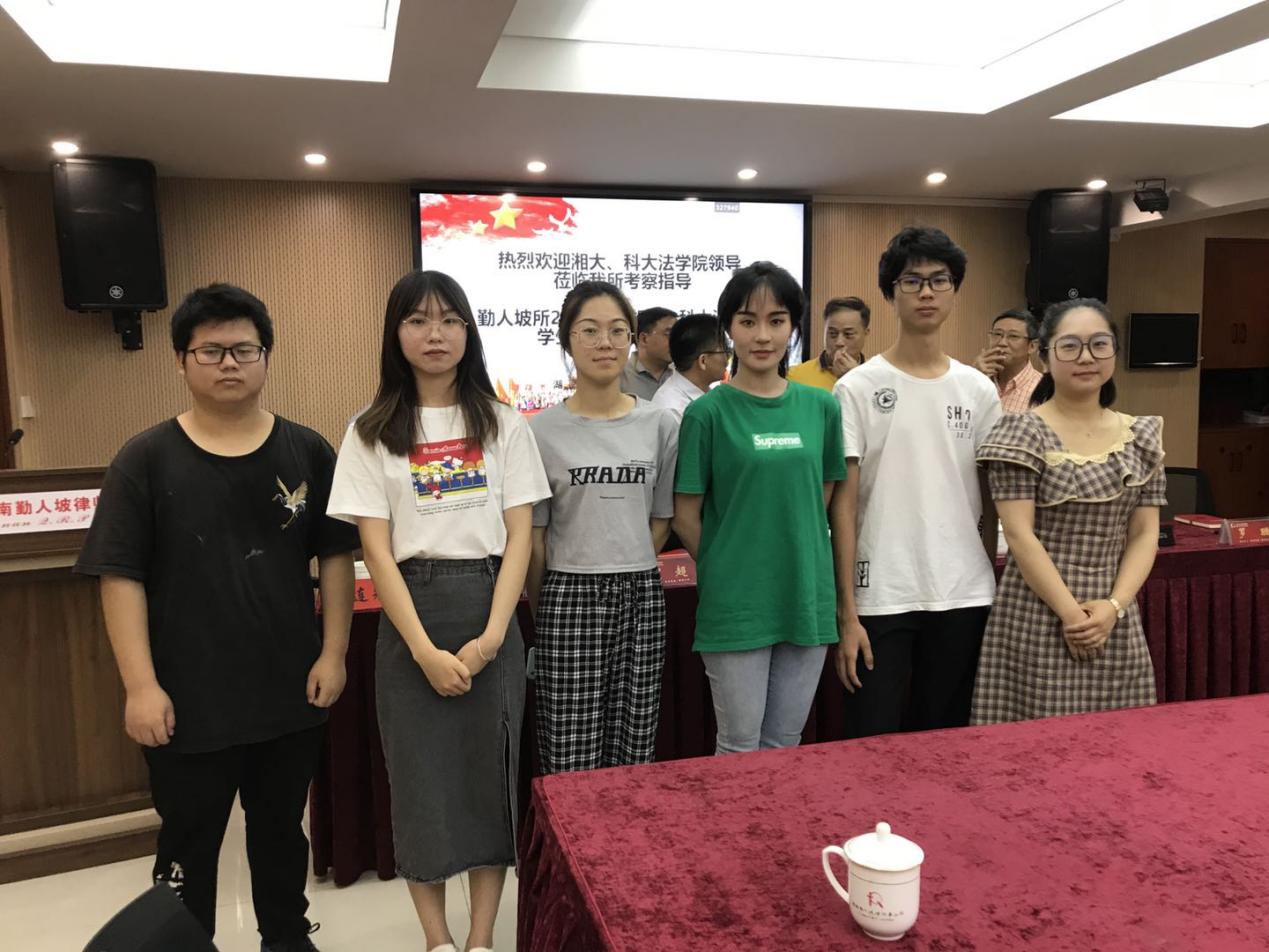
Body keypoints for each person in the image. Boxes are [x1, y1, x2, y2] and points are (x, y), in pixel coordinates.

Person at [74, 283, 358, 951]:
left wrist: (334, 652)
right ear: (181, 361)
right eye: (210, 350)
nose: (229, 362)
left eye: (244, 349)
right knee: (187, 845)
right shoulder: (145, 459)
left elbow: (336, 557)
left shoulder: (307, 450)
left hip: (289, 690)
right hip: (185, 701)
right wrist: (140, 686)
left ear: (266, 358)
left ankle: (286, 939)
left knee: (281, 835)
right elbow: (119, 577)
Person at [326, 271, 549, 952]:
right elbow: (374, 550)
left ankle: (480, 939)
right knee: (419, 784)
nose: (435, 334)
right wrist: (423, 651)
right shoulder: (369, 430)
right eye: (418, 320)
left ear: (468, 333)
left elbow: (519, 536)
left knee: (488, 783)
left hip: (490, 606)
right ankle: (437, 941)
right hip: (409, 619)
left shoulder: (504, 423)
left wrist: (491, 639)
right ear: (395, 334)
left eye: (450, 320)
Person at [831, 226, 1001, 738]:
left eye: (939, 280)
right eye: (912, 281)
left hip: (963, 592)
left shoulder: (977, 389)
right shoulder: (856, 388)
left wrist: (987, 575)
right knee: (871, 739)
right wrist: (847, 611)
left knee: (945, 741)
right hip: (881, 593)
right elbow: (843, 506)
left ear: (955, 291)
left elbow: (991, 500)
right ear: (891, 294)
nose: (926, 292)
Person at [674, 262, 846, 754]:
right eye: (748, 321)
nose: (763, 335)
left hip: (805, 594)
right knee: (739, 745)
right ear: (729, 328)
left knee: (785, 745)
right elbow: (686, 515)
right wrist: (730, 564)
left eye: (777, 320)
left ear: (794, 327)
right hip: (737, 604)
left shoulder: (822, 407)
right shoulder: (706, 413)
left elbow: (822, 495)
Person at [972, 299, 1164, 723]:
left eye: (1099, 344)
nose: (1086, 357)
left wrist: (1113, 607)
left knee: (1121, 742)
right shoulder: (1019, 432)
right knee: (1033, 747)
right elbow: (1019, 535)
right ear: (1044, 355)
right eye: (1070, 346)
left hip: (1115, 615)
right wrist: (1072, 616)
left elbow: (1144, 533)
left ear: (1114, 351)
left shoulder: (1141, 436)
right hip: (1039, 611)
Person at [525, 281, 679, 773]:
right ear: (567, 341)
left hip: (642, 593)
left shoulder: (661, 425)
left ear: (632, 340)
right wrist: (546, 608)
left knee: (634, 749)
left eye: (617, 331)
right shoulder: (539, 431)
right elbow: (535, 538)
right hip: (567, 593)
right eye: (589, 331)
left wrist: (627, 559)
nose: (605, 343)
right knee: (569, 752)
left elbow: (661, 518)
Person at [649, 312, 731, 421]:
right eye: (725, 351)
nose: (727, 359)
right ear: (703, 361)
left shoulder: (707, 393)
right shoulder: (672, 410)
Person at [787, 296, 870, 390]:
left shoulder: (875, 376)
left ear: (865, 333)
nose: (839, 342)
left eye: (848, 334)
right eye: (833, 334)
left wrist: (856, 377)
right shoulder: (794, 376)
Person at [972, 308, 1043, 413]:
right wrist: (972, 376)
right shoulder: (979, 377)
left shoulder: (1044, 391)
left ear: (1032, 346)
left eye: (1013, 336)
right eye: (997, 334)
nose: (1002, 343)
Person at [619, 306, 676, 399]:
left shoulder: (683, 373)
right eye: (669, 334)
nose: (677, 341)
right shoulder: (618, 377)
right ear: (644, 339)